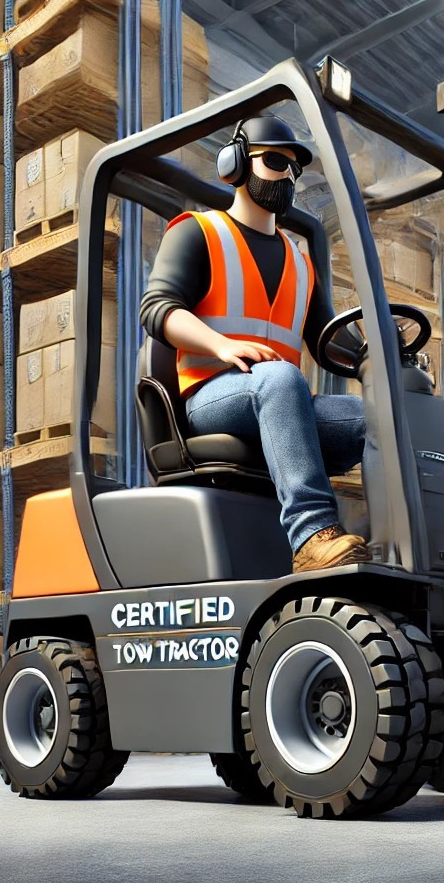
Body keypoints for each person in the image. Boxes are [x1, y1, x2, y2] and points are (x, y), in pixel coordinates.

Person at [139, 116, 370, 572]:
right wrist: (221, 345)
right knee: (280, 379)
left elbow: (330, 343)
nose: (286, 175)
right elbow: (157, 309)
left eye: (292, 169)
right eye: (275, 162)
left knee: (376, 418)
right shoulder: (198, 232)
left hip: (280, 404)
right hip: (211, 397)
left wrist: (379, 354)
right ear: (237, 163)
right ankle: (311, 535)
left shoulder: (301, 264)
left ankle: (394, 543)